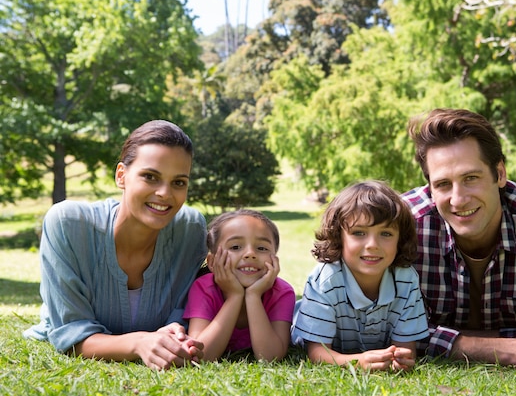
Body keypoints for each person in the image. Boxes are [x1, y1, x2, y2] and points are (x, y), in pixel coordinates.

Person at [402, 108, 516, 366]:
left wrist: (435, 337)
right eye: (443, 184)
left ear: (500, 174)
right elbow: (384, 333)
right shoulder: (401, 229)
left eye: (471, 178)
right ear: (429, 187)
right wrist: (511, 349)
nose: (458, 199)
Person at [23, 120, 208, 370]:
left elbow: (181, 316)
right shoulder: (68, 224)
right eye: (150, 177)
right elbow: (71, 335)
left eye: (178, 182)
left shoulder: (190, 229)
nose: (165, 193)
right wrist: (138, 343)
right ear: (121, 175)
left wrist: (176, 332)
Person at [291, 180, 429, 371]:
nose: (372, 244)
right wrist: (358, 362)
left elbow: (405, 349)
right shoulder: (325, 280)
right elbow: (317, 354)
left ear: (400, 239)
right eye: (359, 233)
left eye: (386, 234)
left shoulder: (406, 279)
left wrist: (400, 359)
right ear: (339, 237)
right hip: (305, 330)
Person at [184, 209, 295, 362]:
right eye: (235, 247)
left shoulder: (282, 292)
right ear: (212, 262)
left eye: (262, 248)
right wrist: (235, 296)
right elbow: (201, 354)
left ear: (274, 259)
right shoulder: (204, 288)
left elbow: (270, 357)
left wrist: (253, 295)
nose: (250, 254)